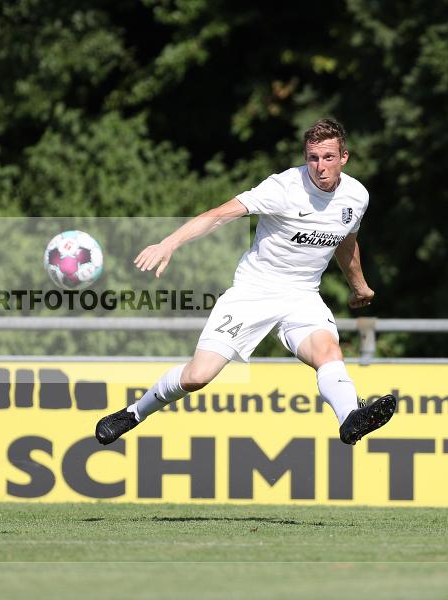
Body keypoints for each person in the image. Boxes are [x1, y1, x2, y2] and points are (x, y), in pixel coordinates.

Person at [96, 118, 395, 446]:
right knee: (198, 377)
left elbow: (346, 241)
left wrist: (359, 285)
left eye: (327, 158)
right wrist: (169, 243)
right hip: (255, 291)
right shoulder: (282, 189)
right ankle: (134, 413)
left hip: (302, 295)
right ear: (305, 157)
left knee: (328, 352)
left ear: (344, 157)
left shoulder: (356, 197)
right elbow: (219, 214)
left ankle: (351, 417)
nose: (320, 167)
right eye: (312, 158)